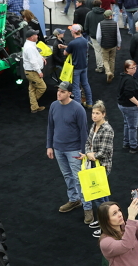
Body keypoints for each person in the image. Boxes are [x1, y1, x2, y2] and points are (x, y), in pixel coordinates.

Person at [46, 82, 90, 219]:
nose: (59, 93)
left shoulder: (78, 109)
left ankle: (87, 208)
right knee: (67, 176)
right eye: (58, 90)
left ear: (70, 93)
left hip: (74, 150)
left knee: (80, 179)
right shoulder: (53, 106)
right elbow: (50, 127)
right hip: (59, 149)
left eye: (63, 91)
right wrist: (49, 146)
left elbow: (84, 132)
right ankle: (74, 199)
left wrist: (83, 152)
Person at [81, 100, 114, 234]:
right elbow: (88, 142)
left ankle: (106, 225)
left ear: (103, 114)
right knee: (99, 195)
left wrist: (91, 155)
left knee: (100, 197)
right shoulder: (94, 126)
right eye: (93, 113)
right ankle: (105, 220)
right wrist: (89, 153)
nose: (94, 116)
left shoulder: (107, 129)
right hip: (93, 165)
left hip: (102, 167)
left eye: (97, 113)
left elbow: (105, 151)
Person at [116, 60, 138, 154]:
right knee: (132, 127)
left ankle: (126, 142)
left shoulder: (124, 77)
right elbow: (129, 95)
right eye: (133, 68)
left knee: (127, 124)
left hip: (123, 105)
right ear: (127, 69)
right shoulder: (129, 80)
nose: (135, 69)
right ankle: (133, 146)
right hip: (130, 107)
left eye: (135, 67)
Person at [64, 24, 92, 108]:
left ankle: (77, 106)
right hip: (84, 66)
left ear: (74, 32)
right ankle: (89, 103)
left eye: (71, 30)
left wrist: (65, 48)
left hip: (76, 68)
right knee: (85, 84)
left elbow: (65, 53)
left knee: (76, 87)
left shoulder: (72, 43)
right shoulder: (85, 40)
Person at [22, 29, 47, 113]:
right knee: (42, 87)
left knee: (32, 89)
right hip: (32, 72)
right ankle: (33, 103)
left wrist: (41, 57)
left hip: (31, 71)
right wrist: (39, 71)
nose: (37, 36)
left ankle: (34, 107)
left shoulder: (31, 45)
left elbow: (35, 54)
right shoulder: (29, 47)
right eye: (36, 35)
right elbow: (32, 61)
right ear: (31, 37)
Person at [96, 9, 121, 83]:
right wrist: (119, 44)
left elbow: (98, 37)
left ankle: (108, 72)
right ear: (110, 16)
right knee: (112, 59)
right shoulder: (115, 23)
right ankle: (112, 74)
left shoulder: (100, 24)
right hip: (113, 45)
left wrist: (100, 43)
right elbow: (118, 35)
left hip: (104, 45)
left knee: (105, 60)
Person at [84, 0, 106, 74]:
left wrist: (88, 33)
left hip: (93, 35)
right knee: (105, 50)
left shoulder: (89, 14)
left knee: (97, 51)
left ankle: (100, 66)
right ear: (100, 5)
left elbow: (86, 26)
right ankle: (106, 65)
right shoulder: (104, 14)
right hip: (104, 36)